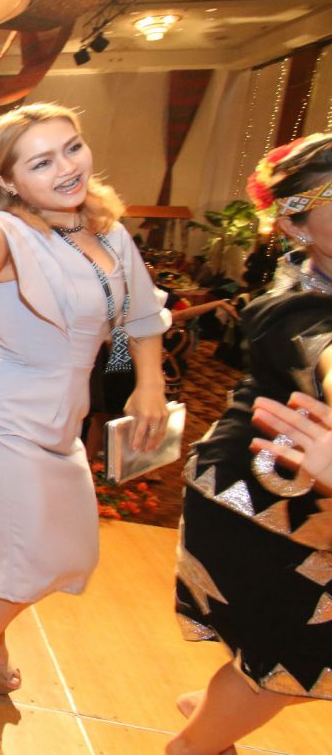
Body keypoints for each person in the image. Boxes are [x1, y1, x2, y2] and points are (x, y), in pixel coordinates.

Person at [0, 73, 170, 753]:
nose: (67, 167)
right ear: (9, 183)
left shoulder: (109, 234)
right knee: (18, 559)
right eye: (42, 160)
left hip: (62, 418)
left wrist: (149, 383)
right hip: (5, 416)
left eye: (72, 148)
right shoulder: (6, 239)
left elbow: (142, 312)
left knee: (64, 549)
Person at [168, 133, 332, 755]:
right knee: (297, 655)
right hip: (258, 506)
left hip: (302, 507)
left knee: (278, 651)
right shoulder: (290, 309)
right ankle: (196, 743)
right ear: (295, 226)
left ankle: (210, 716)